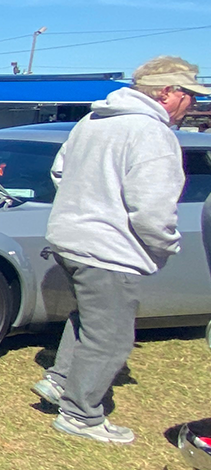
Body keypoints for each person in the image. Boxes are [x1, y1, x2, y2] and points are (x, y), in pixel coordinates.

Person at [33, 55, 207, 444]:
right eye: (188, 95)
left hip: (70, 238)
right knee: (111, 337)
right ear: (166, 92)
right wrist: (165, 244)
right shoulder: (152, 133)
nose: (192, 104)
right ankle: (81, 414)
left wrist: (86, 205)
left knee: (89, 320)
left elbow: (59, 171)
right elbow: (152, 207)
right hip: (110, 248)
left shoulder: (93, 121)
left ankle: (60, 381)